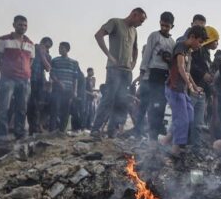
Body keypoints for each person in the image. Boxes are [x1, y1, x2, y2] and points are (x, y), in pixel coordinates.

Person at [91, 8, 147, 138]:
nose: (141, 23)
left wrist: (133, 63)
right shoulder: (115, 23)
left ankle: (112, 130)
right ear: (134, 14)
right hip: (114, 69)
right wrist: (109, 55)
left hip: (126, 72)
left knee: (121, 101)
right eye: (141, 20)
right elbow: (98, 35)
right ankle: (96, 128)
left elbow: (135, 48)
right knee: (108, 99)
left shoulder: (134, 31)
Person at [159, 25, 207, 155]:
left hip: (182, 90)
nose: (200, 45)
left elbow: (187, 72)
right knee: (182, 120)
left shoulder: (189, 51)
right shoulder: (180, 47)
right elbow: (180, 67)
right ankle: (175, 151)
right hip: (174, 89)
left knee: (190, 117)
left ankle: (166, 141)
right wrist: (189, 86)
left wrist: (195, 86)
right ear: (192, 37)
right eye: (200, 42)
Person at [0, 15, 36, 141]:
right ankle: (1, 134)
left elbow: (31, 61)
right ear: (14, 25)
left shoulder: (30, 43)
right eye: (20, 24)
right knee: (4, 107)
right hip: (8, 79)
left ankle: (19, 133)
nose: (22, 27)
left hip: (24, 80)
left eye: (25, 25)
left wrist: (25, 73)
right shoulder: (3, 39)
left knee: (22, 108)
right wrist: (6, 71)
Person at [135, 11, 176, 140]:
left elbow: (172, 63)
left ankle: (156, 130)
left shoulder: (172, 43)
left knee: (161, 104)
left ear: (172, 26)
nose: (164, 28)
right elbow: (147, 55)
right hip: (153, 73)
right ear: (160, 23)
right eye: (162, 25)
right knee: (151, 103)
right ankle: (145, 131)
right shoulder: (154, 36)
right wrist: (143, 73)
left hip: (164, 75)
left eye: (167, 26)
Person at [190, 25, 219, 143]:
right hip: (193, 89)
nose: (217, 44)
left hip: (201, 91)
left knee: (198, 122)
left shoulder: (206, 54)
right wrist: (203, 74)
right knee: (187, 118)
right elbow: (190, 67)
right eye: (216, 40)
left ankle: (195, 146)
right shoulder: (197, 51)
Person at [49, 42, 84, 132]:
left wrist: (75, 90)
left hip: (68, 90)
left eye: (62, 48)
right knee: (54, 109)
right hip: (57, 89)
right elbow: (52, 74)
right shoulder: (55, 60)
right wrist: (58, 82)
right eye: (59, 48)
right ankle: (52, 130)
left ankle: (62, 131)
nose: (60, 50)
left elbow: (75, 78)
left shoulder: (74, 63)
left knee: (66, 111)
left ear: (67, 50)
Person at [28, 37, 53, 135]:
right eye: (45, 45)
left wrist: (42, 54)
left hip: (40, 81)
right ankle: (32, 127)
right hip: (29, 79)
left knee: (38, 105)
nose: (45, 48)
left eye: (48, 47)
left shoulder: (47, 55)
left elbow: (48, 68)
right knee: (29, 104)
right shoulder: (31, 49)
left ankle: (36, 126)